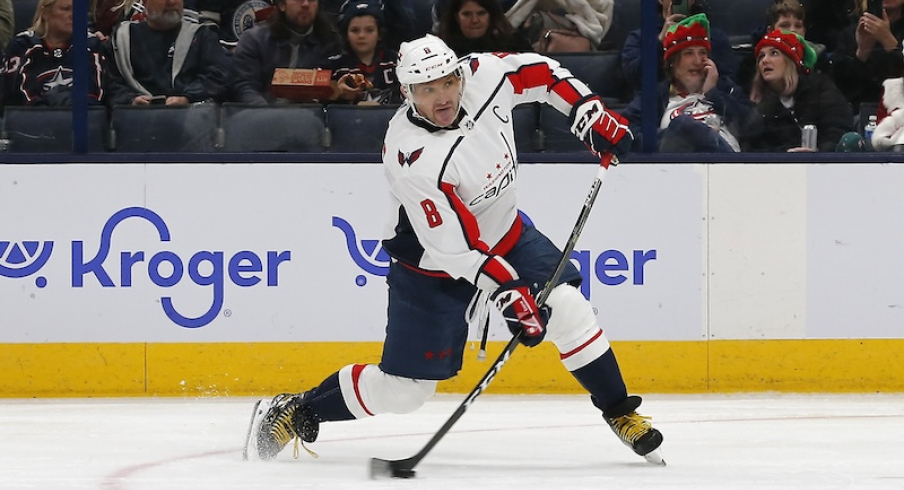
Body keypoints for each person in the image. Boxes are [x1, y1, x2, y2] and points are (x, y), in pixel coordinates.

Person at [244, 33, 665, 467]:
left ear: (459, 74)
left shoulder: (484, 74)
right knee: (405, 392)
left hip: (506, 236)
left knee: (570, 308)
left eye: (447, 83)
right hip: (431, 268)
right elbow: (452, 247)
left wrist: (588, 112)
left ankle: (621, 412)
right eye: (427, 90)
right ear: (407, 93)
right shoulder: (411, 154)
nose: (442, 97)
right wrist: (507, 288)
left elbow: (541, 73)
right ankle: (300, 410)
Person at [621, 14, 759, 153]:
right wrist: (677, 135)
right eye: (689, 53)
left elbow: (754, 126)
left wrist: (713, 93)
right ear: (672, 64)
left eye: (702, 53)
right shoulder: (655, 97)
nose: (698, 61)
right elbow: (626, 131)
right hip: (675, 167)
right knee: (682, 125)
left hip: (728, 165)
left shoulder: (726, 89)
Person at [747, 29, 858, 152]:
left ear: (791, 61)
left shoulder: (820, 87)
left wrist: (819, 153)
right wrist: (786, 155)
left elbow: (838, 128)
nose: (765, 60)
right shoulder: (762, 107)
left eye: (773, 53)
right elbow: (753, 148)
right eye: (761, 56)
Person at [102, 0, 230, 106]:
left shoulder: (202, 36)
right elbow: (111, 83)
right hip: (136, 122)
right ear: (145, 2)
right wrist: (130, 100)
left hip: (190, 121)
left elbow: (217, 77)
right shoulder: (121, 39)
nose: (171, 2)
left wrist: (187, 98)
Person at [229, 0, 342, 104]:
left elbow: (334, 89)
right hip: (260, 116)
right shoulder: (254, 40)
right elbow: (245, 87)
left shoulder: (330, 41)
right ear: (282, 5)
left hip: (310, 119)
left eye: (312, 0)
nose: (306, 4)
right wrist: (267, 114)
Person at [1, 0, 104, 110]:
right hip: (32, 121)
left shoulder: (90, 44)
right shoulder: (22, 45)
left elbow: (94, 95)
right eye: (65, 9)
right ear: (45, 12)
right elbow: (14, 95)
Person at [619, 0, 738, 94]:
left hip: (709, 107)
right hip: (660, 109)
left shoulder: (715, 37)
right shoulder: (640, 37)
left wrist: (711, 90)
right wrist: (660, 42)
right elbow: (634, 78)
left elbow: (730, 81)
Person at [736, 1, 831, 94]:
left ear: (804, 31)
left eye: (798, 26)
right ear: (770, 31)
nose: (793, 31)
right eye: (785, 25)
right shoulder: (751, 63)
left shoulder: (819, 58)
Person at [831, 0, 904, 112]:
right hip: (858, 113)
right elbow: (839, 89)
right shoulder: (852, 33)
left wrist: (890, 43)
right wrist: (862, 53)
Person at [328, 0, 400, 104]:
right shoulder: (334, 66)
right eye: (355, 30)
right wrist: (337, 92)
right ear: (346, 34)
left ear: (379, 34)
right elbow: (317, 98)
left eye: (369, 30)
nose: (361, 35)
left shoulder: (395, 62)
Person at [435, 0, 531, 57]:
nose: (474, 20)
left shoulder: (515, 43)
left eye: (481, 13)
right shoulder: (439, 48)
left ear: (491, 15)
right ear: (456, 17)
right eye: (467, 14)